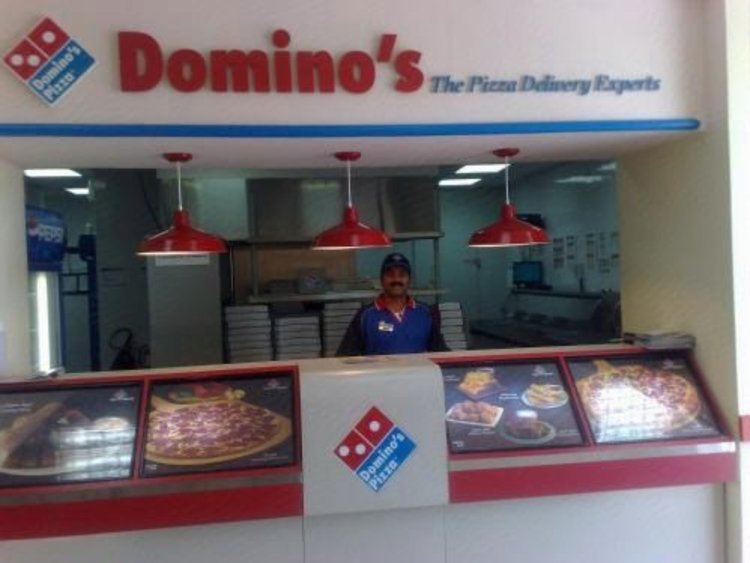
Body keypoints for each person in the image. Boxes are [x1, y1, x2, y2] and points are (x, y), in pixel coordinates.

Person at [337, 253, 449, 356]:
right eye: (390, 275)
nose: (396, 279)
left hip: (417, 372)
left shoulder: (425, 313)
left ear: (409, 280)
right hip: (379, 372)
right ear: (382, 280)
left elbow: (442, 354)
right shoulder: (365, 316)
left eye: (402, 275)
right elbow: (344, 357)